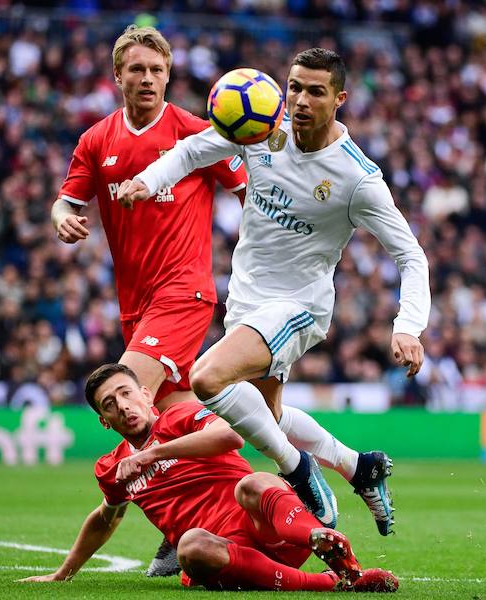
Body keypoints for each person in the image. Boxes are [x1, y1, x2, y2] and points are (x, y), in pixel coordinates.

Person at [117, 48, 432, 537]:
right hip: (246, 300)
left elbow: (411, 256)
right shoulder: (260, 127)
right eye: (295, 87)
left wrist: (407, 325)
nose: (300, 100)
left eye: (316, 92)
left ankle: (300, 472)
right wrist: (147, 179)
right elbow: (193, 150)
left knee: (207, 380)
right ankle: (358, 467)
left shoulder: (358, 179)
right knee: (269, 418)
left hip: (298, 307)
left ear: (340, 99)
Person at [51, 24, 248, 575]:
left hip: (184, 293)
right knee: (181, 419)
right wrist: (64, 218)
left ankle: (172, 529)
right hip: (135, 305)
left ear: (169, 76)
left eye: (157, 70)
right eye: (136, 69)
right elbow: (65, 202)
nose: (147, 79)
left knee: (123, 403)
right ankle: (252, 500)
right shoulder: (97, 140)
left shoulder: (195, 132)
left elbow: (249, 191)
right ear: (118, 76)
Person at [18, 363, 398, 592]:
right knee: (189, 546)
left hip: (273, 527)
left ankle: (319, 539)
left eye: (126, 393)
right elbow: (105, 517)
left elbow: (231, 435)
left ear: (146, 394)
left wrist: (154, 452)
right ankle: (338, 582)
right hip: (223, 554)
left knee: (253, 483)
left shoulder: (179, 417)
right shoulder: (112, 468)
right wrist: (62, 573)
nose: (123, 406)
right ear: (105, 421)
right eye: (110, 405)